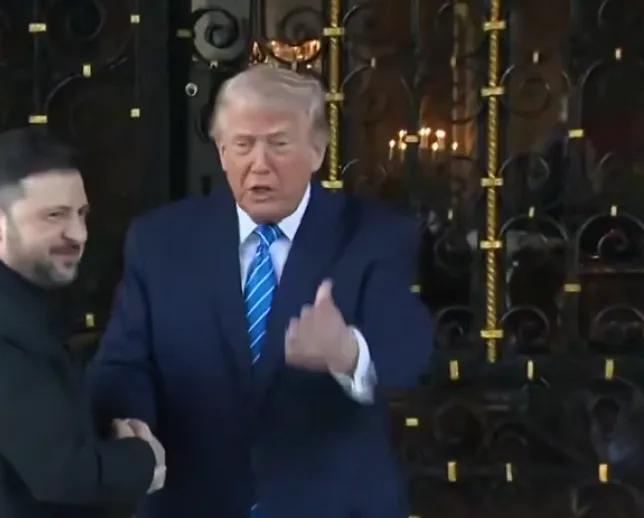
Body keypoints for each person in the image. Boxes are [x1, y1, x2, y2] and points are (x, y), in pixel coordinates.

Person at [88, 65, 434, 518]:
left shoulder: (374, 235)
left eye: (279, 144)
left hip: (331, 504)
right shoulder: (160, 240)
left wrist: (348, 352)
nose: (260, 164)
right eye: (243, 145)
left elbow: (410, 352)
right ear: (221, 151)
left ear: (317, 150)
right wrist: (132, 426)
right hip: (192, 502)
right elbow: (123, 362)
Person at [0, 127, 166, 518]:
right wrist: (145, 459)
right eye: (55, 216)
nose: (78, 234)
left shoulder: (2, 301)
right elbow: (65, 474)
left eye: (81, 214)